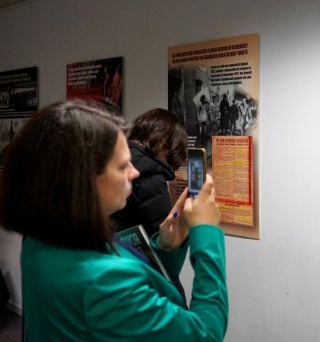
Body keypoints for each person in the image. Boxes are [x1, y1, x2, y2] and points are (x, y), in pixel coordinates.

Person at [0, 101, 228, 341]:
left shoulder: (43, 238)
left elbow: (134, 284)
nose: (135, 172)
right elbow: (206, 334)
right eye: (122, 166)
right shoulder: (105, 283)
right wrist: (206, 233)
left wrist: (166, 247)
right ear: (85, 179)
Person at [111, 108, 187, 236]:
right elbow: (165, 237)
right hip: (133, 252)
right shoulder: (150, 174)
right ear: (164, 144)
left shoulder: (115, 156)